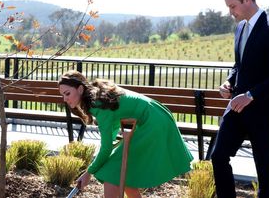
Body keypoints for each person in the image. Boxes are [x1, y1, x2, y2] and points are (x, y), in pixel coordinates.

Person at [58, 70, 193, 198]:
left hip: (153, 123)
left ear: (80, 89)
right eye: (63, 95)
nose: (65, 99)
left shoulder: (98, 104)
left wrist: (88, 172)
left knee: (112, 173)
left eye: (67, 93)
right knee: (122, 174)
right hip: (156, 116)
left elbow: (106, 148)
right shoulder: (97, 97)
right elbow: (112, 133)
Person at [210, 0, 269, 197]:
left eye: (232, 6)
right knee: (218, 157)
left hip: (263, 111)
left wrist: (250, 96)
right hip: (237, 109)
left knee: (264, 170)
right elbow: (239, 65)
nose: (230, 12)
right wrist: (228, 82)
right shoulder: (239, 28)